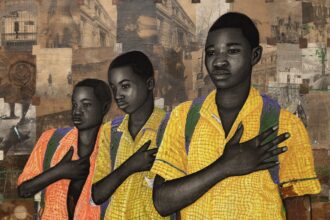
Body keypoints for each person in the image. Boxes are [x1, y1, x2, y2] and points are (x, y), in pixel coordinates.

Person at [151, 12, 320, 220]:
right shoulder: (183, 117)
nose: (219, 61)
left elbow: (299, 208)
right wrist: (224, 166)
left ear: (254, 55)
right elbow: (162, 201)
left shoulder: (286, 124)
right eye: (211, 53)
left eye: (232, 51)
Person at [17, 78, 111, 220]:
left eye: (86, 105)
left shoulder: (113, 148)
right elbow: (23, 190)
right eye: (75, 104)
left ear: (104, 107)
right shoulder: (50, 140)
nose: (77, 112)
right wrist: (58, 172)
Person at [91, 51, 169, 219]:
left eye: (125, 86)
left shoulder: (170, 127)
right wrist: (130, 166)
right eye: (114, 88)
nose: (118, 95)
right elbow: (97, 194)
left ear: (149, 84)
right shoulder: (111, 131)